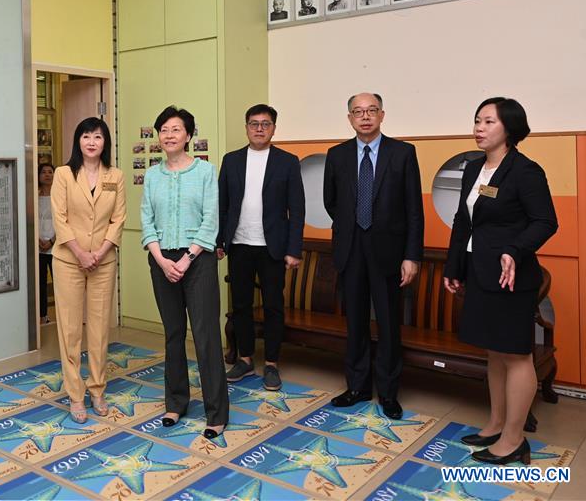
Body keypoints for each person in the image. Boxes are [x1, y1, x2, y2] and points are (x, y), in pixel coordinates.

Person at [443, 98, 558, 465]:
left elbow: (545, 221)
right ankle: (495, 424)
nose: (479, 127)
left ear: (508, 128)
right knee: (494, 352)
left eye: (488, 121)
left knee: (516, 354)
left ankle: (513, 439)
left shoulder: (525, 171)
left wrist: (514, 249)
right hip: (480, 271)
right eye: (477, 120)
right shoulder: (473, 168)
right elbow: (464, 222)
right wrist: (453, 267)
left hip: (512, 276)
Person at [323, 93, 424, 420]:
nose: (364, 117)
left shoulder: (403, 153)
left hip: (390, 253)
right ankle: (357, 386)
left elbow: (414, 211)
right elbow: (331, 202)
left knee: (389, 323)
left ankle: (389, 393)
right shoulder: (336, 155)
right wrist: (353, 225)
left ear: (382, 114)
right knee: (355, 322)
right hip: (351, 249)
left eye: (371, 111)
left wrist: (411, 256)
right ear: (349, 118)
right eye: (357, 112)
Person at [142, 105, 228, 440]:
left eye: (176, 129)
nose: (169, 135)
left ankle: (216, 413)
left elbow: (211, 219)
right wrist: (162, 260)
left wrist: (187, 258)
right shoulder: (152, 175)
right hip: (162, 261)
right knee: (173, 335)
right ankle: (176, 403)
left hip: (199, 261)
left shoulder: (206, 172)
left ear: (188, 135)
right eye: (163, 129)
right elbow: (146, 220)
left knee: (206, 338)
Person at [217, 104, 304, 391]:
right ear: (246, 127)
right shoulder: (231, 161)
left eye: (265, 124)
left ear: (273, 128)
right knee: (240, 306)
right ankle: (244, 359)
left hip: (273, 247)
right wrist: (220, 241)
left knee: (273, 306)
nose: (259, 129)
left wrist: (294, 249)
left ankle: (271, 364)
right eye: (254, 123)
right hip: (240, 244)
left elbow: (297, 210)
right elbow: (223, 205)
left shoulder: (288, 162)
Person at [51, 117, 126, 423]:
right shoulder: (64, 174)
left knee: (98, 330)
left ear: (105, 142)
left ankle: (96, 389)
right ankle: (75, 395)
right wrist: (81, 253)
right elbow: (59, 218)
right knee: (70, 330)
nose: (92, 142)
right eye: (86, 136)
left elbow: (118, 219)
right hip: (69, 260)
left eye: (98, 136)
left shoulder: (116, 176)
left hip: (103, 262)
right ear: (77, 141)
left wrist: (99, 252)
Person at [38, 162, 56, 325]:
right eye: (43, 172)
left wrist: (51, 241)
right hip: (38, 247)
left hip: (55, 247)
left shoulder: (59, 197)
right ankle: (42, 316)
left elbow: (65, 222)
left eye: (50, 172)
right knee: (40, 284)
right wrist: (38, 240)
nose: (47, 175)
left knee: (59, 284)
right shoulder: (34, 197)